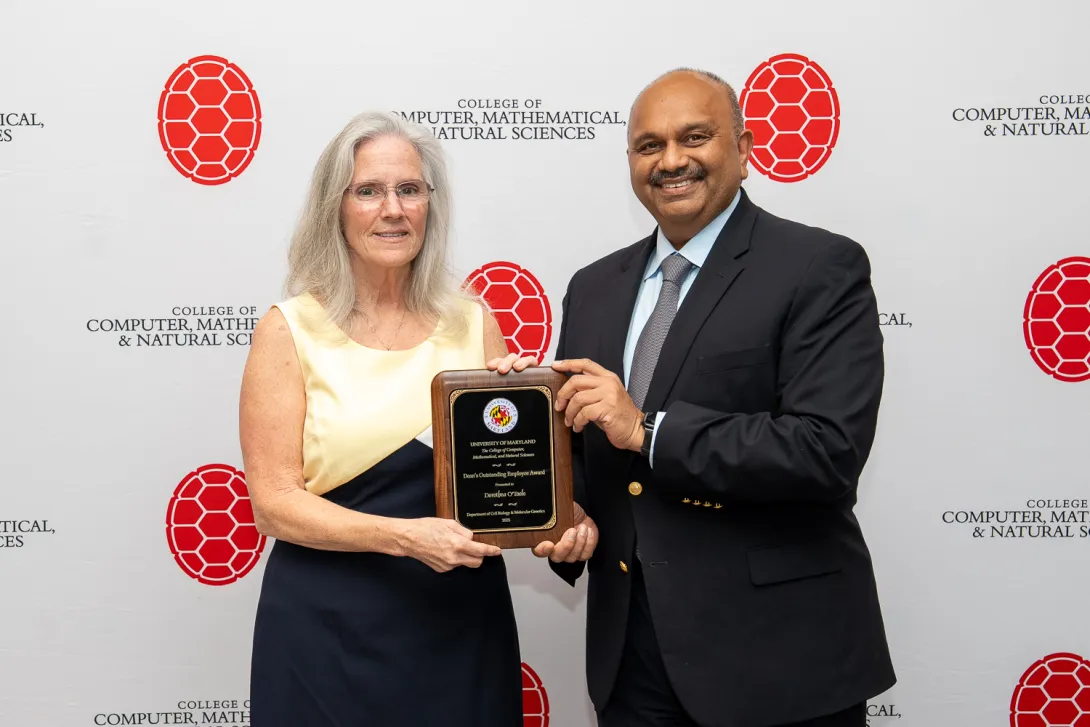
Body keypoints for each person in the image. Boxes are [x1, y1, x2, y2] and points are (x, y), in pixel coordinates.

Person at [539, 69, 897, 727]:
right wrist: (564, 517)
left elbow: (827, 452)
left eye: (694, 137)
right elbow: (588, 455)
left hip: (779, 659)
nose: (671, 160)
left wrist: (646, 429)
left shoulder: (819, 267)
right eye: (649, 145)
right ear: (629, 162)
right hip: (632, 663)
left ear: (746, 146)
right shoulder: (592, 287)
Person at [238, 111, 578, 726]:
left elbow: (514, 488)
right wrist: (404, 537)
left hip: (457, 627)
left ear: (430, 205)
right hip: (325, 630)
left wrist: (560, 510)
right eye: (368, 191)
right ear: (334, 208)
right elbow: (273, 502)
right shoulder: (288, 329)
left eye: (409, 189)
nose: (392, 208)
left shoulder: (474, 324)